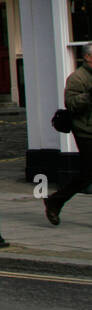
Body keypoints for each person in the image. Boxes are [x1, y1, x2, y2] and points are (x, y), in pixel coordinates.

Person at [45, 43, 92, 225]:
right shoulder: (77, 78)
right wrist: (89, 96)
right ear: (87, 57)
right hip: (86, 131)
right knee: (88, 174)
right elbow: (71, 104)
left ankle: (54, 201)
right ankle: (55, 201)